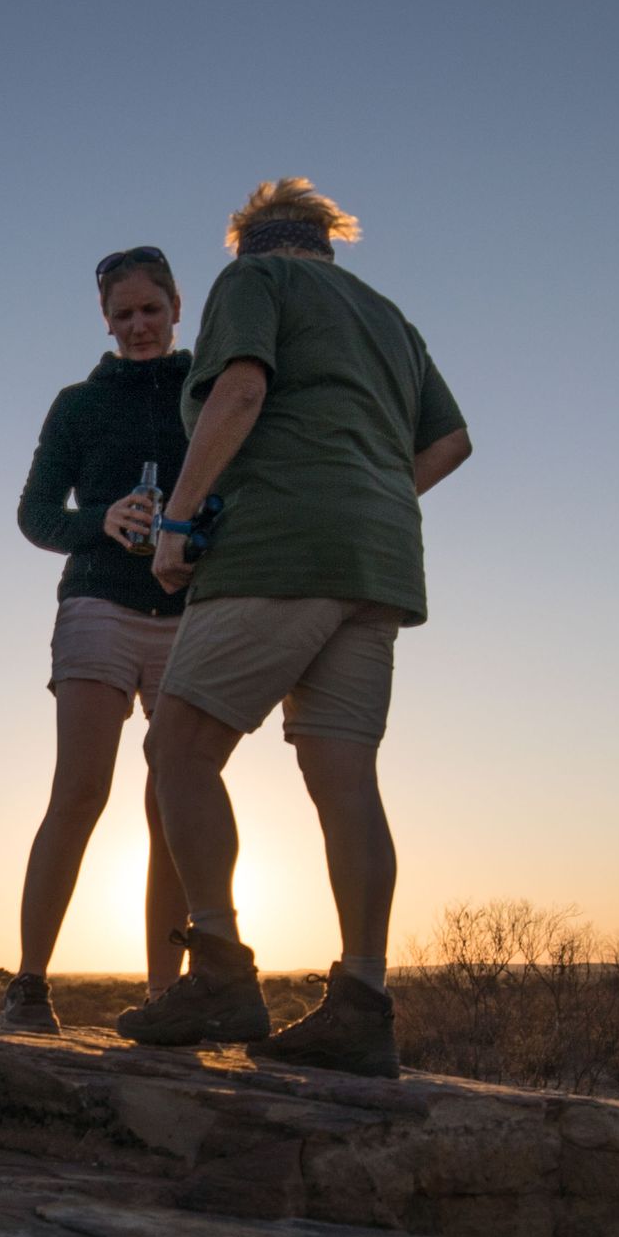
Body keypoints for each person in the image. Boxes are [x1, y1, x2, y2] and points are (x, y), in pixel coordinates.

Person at [115, 179, 471, 1076]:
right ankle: (362, 1000)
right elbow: (451, 441)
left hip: (278, 546)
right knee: (344, 776)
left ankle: (224, 972)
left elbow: (238, 390)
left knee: (179, 748)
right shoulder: (391, 320)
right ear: (326, 242)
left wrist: (179, 521)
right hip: (378, 563)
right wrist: (369, 497)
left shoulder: (256, 283)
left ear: (251, 244)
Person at [0, 247, 196, 1032]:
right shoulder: (77, 405)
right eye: (124, 315)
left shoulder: (209, 392)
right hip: (97, 609)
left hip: (191, 614)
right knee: (79, 791)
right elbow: (36, 516)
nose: (139, 326)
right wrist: (102, 521)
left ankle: (163, 1000)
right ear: (105, 322)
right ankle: (29, 986)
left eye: (151, 309)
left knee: (174, 806)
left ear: (177, 307)